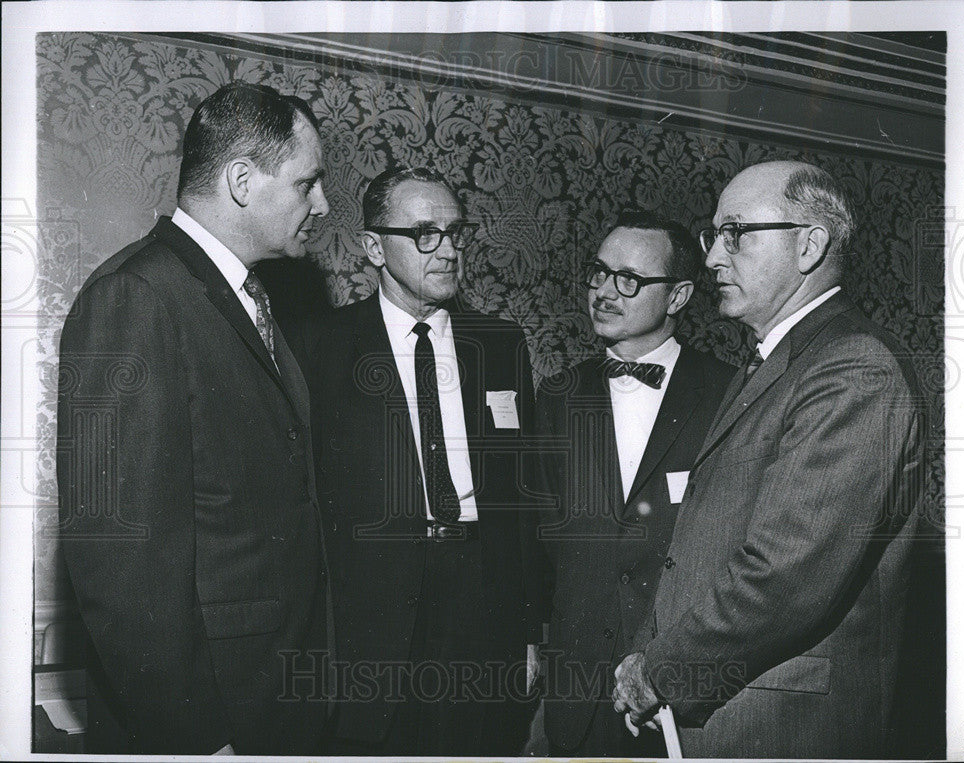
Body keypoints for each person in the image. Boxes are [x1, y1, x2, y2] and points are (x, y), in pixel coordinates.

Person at [612, 160, 925, 757]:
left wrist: (660, 671)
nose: (711, 258)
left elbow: (785, 574)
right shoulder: (779, 359)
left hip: (781, 728)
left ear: (809, 246)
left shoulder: (853, 366)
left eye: (736, 233)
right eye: (713, 235)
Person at [57, 82, 332, 755]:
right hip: (208, 724)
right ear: (242, 180)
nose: (323, 205)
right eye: (308, 182)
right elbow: (118, 561)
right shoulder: (135, 297)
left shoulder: (249, 301)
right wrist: (198, 739)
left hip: (274, 700)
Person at [290, 167, 540, 757]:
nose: (448, 249)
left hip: (483, 602)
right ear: (374, 246)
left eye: (455, 233)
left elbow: (522, 500)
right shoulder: (316, 347)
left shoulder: (500, 345)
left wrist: (529, 633)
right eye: (425, 234)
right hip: (372, 617)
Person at [535, 210, 734, 757]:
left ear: (678, 297)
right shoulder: (556, 395)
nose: (604, 292)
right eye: (599, 273)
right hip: (574, 691)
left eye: (630, 280)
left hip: (678, 692)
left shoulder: (729, 395)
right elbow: (537, 540)